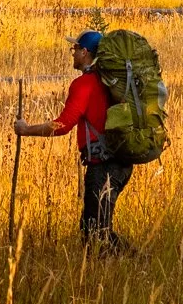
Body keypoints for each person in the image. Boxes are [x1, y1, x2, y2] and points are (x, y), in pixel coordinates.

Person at [14, 30, 132, 250]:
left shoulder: (84, 85)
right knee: (94, 230)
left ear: (85, 52)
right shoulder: (106, 81)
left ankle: (139, 263)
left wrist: (26, 129)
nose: (72, 53)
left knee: (96, 234)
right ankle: (121, 267)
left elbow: (63, 125)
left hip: (104, 165)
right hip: (119, 163)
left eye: (75, 48)